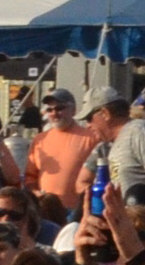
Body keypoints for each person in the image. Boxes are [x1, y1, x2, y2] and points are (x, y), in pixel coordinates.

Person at [19, 88, 96, 218]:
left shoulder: (91, 138)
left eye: (60, 108)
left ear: (73, 110)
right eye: (49, 110)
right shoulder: (39, 140)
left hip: (77, 212)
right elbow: (29, 177)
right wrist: (36, 194)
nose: (54, 113)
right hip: (45, 212)